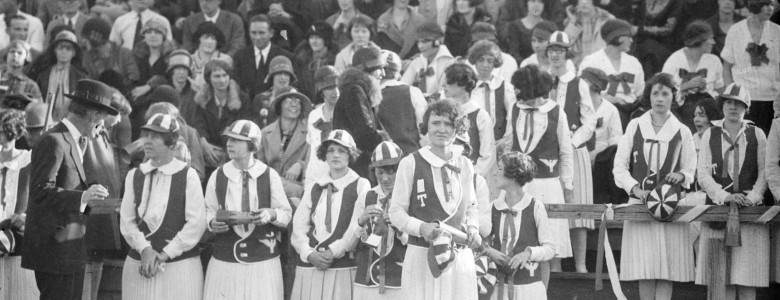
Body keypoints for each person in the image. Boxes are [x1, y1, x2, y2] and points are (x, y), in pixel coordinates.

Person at [21, 79, 116, 300]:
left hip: (70, 250)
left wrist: (87, 192)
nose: (103, 126)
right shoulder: (54, 141)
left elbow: (66, 185)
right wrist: (83, 196)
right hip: (54, 252)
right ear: (92, 114)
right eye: (102, 120)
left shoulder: (75, 141)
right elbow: (40, 191)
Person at [612, 73, 697, 300]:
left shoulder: (683, 131)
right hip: (641, 203)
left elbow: (691, 169)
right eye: (655, 93)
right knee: (645, 266)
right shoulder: (634, 126)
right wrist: (636, 189)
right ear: (648, 96)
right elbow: (619, 167)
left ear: (674, 97)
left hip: (670, 206)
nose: (659, 98)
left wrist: (681, 175)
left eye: (665, 94)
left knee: (666, 268)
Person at [387, 99, 481, 300]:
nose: (442, 129)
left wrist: (473, 228)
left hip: (459, 255)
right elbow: (395, 213)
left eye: (448, 124)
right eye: (436, 123)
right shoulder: (410, 162)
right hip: (422, 256)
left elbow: (472, 207)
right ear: (426, 127)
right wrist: (421, 227)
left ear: (457, 128)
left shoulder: (465, 164)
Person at [119, 113, 206, 300]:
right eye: (147, 135)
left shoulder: (188, 176)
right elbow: (126, 221)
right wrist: (145, 249)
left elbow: (196, 224)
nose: (148, 142)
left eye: (156, 137)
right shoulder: (134, 175)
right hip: (139, 265)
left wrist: (164, 254)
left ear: (172, 144)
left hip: (179, 269)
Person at [203, 119, 292, 300]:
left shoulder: (269, 175)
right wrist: (212, 223)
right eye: (229, 139)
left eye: (237, 140)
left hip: (262, 262)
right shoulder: (218, 175)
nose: (229, 144)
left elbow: (286, 213)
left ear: (252, 145)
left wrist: (270, 214)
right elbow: (208, 211)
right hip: (225, 262)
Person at [695, 83, 769, 299]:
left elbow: (765, 171)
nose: (733, 107)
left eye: (738, 103)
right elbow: (703, 173)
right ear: (722, 105)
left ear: (746, 107)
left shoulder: (757, 134)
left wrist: (753, 196)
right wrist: (724, 196)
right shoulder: (710, 134)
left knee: (747, 278)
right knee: (721, 278)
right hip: (719, 211)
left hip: (749, 214)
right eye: (728, 102)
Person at [501, 65, 572, 277]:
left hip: (547, 185)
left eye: (520, 88)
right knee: (518, 242)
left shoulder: (557, 112)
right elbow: (509, 141)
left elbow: (566, 152)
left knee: (548, 246)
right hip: (519, 185)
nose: (516, 92)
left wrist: (568, 186)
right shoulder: (515, 109)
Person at [290, 129, 371, 300]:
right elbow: (299, 225)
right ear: (324, 155)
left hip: (342, 267)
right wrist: (308, 253)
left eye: (342, 151)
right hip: (310, 266)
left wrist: (334, 250)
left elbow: (357, 225)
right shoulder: (314, 186)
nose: (336, 155)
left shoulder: (360, 185)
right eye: (331, 150)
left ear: (351, 155)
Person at [546, 31, 596, 273]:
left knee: (578, 210)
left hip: (574, 153)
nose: (556, 54)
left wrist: (571, 143)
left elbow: (589, 122)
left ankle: (580, 266)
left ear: (568, 53)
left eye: (561, 50)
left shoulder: (579, 83)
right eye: (552, 50)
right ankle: (554, 264)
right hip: (548, 155)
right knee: (551, 211)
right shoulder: (543, 81)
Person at [483, 151, 556, 300]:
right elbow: (482, 244)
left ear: (513, 174)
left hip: (529, 289)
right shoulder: (492, 207)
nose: (494, 173)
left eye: (500, 169)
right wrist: (490, 251)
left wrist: (528, 253)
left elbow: (550, 249)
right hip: (497, 288)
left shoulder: (535, 206)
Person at [351, 141, 407, 299]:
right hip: (367, 279)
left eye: (391, 172)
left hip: (399, 278)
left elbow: (416, 242)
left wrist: (400, 229)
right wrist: (361, 222)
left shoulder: (408, 196)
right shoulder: (367, 196)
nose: (385, 179)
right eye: (379, 172)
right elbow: (350, 245)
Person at [721, 0, 780, 133]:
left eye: (772, 4)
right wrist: (732, 97)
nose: (770, 8)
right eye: (765, 4)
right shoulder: (736, 30)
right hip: (743, 100)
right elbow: (726, 68)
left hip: (771, 101)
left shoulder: (777, 31)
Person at [579, 18, 645, 129]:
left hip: (632, 110)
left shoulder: (634, 63)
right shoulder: (592, 61)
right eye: (628, 36)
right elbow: (582, 92)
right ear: (617, 37)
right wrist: (608, 99)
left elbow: (640, 93)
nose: (631, 41)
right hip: (603, 108)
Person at [333, 46, 387, 179]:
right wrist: (387, 152)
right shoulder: (355, 91)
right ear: (366, 68)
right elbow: (364, 131)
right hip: (358, 168)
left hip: (355, 164)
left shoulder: (356, 89)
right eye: (380, 68)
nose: (383, 73)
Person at [0, 109, 38, 300]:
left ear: (12, 132)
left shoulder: (27, 158)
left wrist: (24, 216)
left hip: (19, 232)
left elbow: (38, 194)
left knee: (19, 293)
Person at [661, 21, 724, 132]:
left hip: (708, 108)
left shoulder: (714, 61)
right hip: (680, 107)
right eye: (711, 38)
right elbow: (662, 89)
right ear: (700, 39)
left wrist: (705, 91)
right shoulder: (675, 59)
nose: (713, 42)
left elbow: (720, 91)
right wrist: (685, 86)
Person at [190, 59, 254, 167]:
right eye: (217, 76)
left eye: (225, 75)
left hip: (234, 150)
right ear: (209, 78)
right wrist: (204, 143)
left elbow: (246, 125)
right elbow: (198, 124)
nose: (222, 80)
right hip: (207, 152)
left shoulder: (242, 99)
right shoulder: (201, 99)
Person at [258, 88, 312, 199]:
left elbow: (315, 162)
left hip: (299, 189)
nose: (294, 105)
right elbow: (260, 166)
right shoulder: (264, 133)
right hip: (270, 186)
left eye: (297, 101)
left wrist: (301, 165)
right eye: (288, 101)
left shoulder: (310, 133)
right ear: (279, 106)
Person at [443, 63, 495, 177]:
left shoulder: (480, 115)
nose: (443, 85)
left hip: (471, 177)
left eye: (448, 82)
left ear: (461, 84)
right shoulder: (444, 113)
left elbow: (488, 155)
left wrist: (472, 176)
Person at [26, 29, 88, 124]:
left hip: (70, 122)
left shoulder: (80, 77)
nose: (64, 52)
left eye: (68, 49)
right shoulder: (43, 75)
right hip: (45, 120)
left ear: (74, 53)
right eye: (60, 48)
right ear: (55, 50)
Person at [467, 40, 517, 144]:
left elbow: (512, 115)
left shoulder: (503, 86)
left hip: (497, 142)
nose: (485, 65)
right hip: (473, 142)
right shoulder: (468, 85)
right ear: (474, 61)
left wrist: (505, 140)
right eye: (481, 60)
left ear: (495, 63)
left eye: (489, 61)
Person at [232, 14, 293, 99]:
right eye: (253, 33)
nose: (257, 37)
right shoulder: (240, 56)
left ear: (271, 33)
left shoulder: (285, 56)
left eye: (261, 33)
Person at [378, 50, 426, 155]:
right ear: (398, 72)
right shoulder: (413, 91)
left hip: (383, 157)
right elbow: (423, 126)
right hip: (412, 153)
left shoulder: (372, 96)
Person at [400, 21, 455, 99]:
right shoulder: (417, 62)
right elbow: (403, 86)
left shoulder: (449, 64)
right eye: (419, 42)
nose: (420, 46)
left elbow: (446, 93)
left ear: (438, 41)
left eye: (425, 41)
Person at [81, 17, 140, 89]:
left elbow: (134, 78)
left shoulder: (124, 53)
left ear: (96, 38)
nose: (83, 41)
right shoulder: (87, 57)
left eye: (86, 38)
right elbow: (88, 81)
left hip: (124, 95)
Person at [305, 66, 339, 189]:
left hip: (337, 176)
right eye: (329, 88)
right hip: (314, 176)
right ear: (321, 89)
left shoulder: (346, 114)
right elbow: (311, 149)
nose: (335, 92)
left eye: (337, 86)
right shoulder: (314, 115)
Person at [181, 0, 245, 57]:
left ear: (219, 1)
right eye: (201, 1)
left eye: (209, 0)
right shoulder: (190, 21)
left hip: (225, 64)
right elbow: (188, 46)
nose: (204, 4)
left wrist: (223, 59)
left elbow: (238, 46)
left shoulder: (234, 20)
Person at [293, 21, 337, 100]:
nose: (314, 41)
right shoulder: (302, 60)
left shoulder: (336, 59)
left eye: (318, 37)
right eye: (311, 37)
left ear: (326, 39)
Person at [562, 0, 614, 66]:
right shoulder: (571, 19)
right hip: (577, 69)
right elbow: (563, 45)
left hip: (600, 67)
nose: (584, 2)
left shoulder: (607, 19)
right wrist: (574, 22)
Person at [131, 18, 175, 96]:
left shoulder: (172, 56)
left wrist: (149, 86)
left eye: (157, 32)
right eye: (148, 32)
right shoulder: (137, 56)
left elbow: (171, 81)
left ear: (163, 36)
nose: (152, 35)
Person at [109, 0, 173, 50]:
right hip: (127, 63)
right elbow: (114, 47)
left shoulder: (161, 21)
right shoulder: (120, 21)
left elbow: (168, 46)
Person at [252, 56, 296, 128]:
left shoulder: (297, 99)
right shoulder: (259, 99)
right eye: (279, 73)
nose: (283, 77)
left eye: (286, 74)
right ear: (272, 76)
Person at [189, 21, 233, 90]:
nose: (209, 42)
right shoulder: (189, 59)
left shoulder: (225, 59)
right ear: (199, 39)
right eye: (205, 38)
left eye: (213, 38)